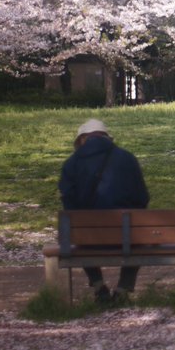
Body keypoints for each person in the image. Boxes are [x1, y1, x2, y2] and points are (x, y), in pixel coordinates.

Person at [58, 119, 150, 305]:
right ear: (106, 137)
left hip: (88, 238)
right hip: (125, 237)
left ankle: (99, 286)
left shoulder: (71, 164)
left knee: (78, 235)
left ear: (83, 139)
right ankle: (123, 289)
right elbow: (142, 198)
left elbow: (68, 204)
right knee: (139, 239)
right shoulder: (127, 158)